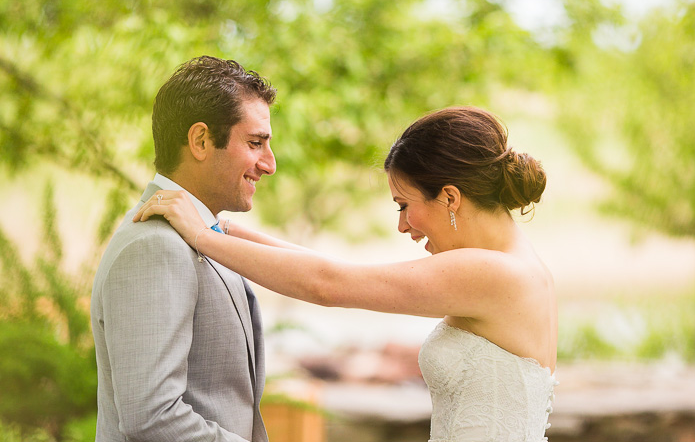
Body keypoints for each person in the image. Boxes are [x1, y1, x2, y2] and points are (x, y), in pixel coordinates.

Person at [135, 106, 558, 442]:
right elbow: (335, 271)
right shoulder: (515, 263)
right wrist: (221, 227)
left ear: (449, 197)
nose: (402, 225)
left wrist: (201, 236)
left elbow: (328, 284)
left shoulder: (489, 272)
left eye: (403, 205)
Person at [90, 55, 277, 441]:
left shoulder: (202, 233)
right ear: (201, 141)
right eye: (256, 143)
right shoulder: (154, 247)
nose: (269, 164)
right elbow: (153, 416)